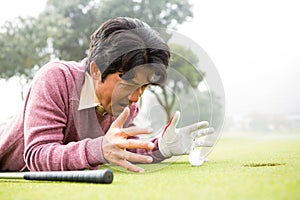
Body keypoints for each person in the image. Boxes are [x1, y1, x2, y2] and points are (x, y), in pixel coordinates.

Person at [0, 17, 214, 173]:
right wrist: (98, 149)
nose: (135, 98)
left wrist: (161, 148)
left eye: (144, 86)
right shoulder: (55, 78)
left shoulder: (127, 103)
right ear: (95, 70)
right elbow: (37, 155)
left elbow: (123, 150)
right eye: (128, 83)